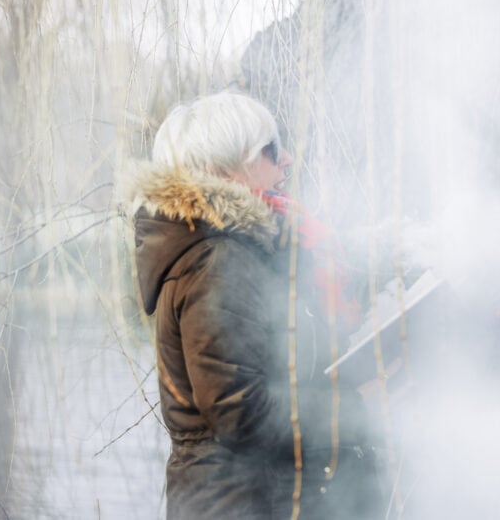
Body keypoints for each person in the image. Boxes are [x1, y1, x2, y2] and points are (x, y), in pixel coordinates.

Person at [126, 91, 382, 519]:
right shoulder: (217, 259)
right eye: (269, 150)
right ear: (219, 170)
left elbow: (278, 368)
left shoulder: (235, 249)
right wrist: (356, 411)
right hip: (241, 505)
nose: (286, 160)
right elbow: (239, 411)